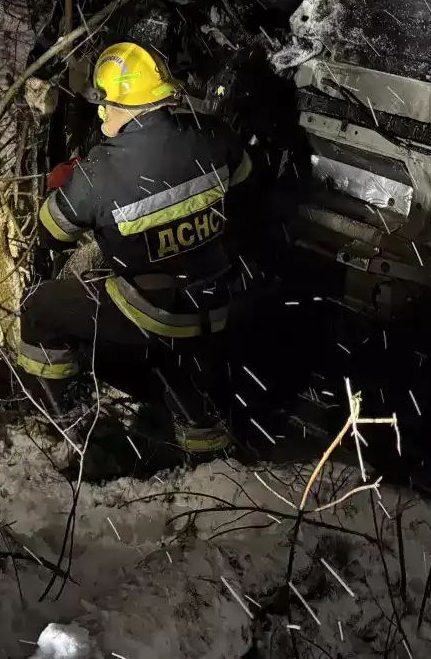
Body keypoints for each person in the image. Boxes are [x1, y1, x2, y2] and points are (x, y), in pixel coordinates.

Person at [14, 41, 253, 457]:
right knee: (177, 353)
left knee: (40, 305)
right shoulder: (214, 135)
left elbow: (51, 233)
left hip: (152, 314)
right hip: (216, 303)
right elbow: (247, 188)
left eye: (106, 103)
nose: (101, 112)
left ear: (129, 106)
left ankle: (71, 428)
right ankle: (209, 452)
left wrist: (70, 181)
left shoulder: (100, 173)